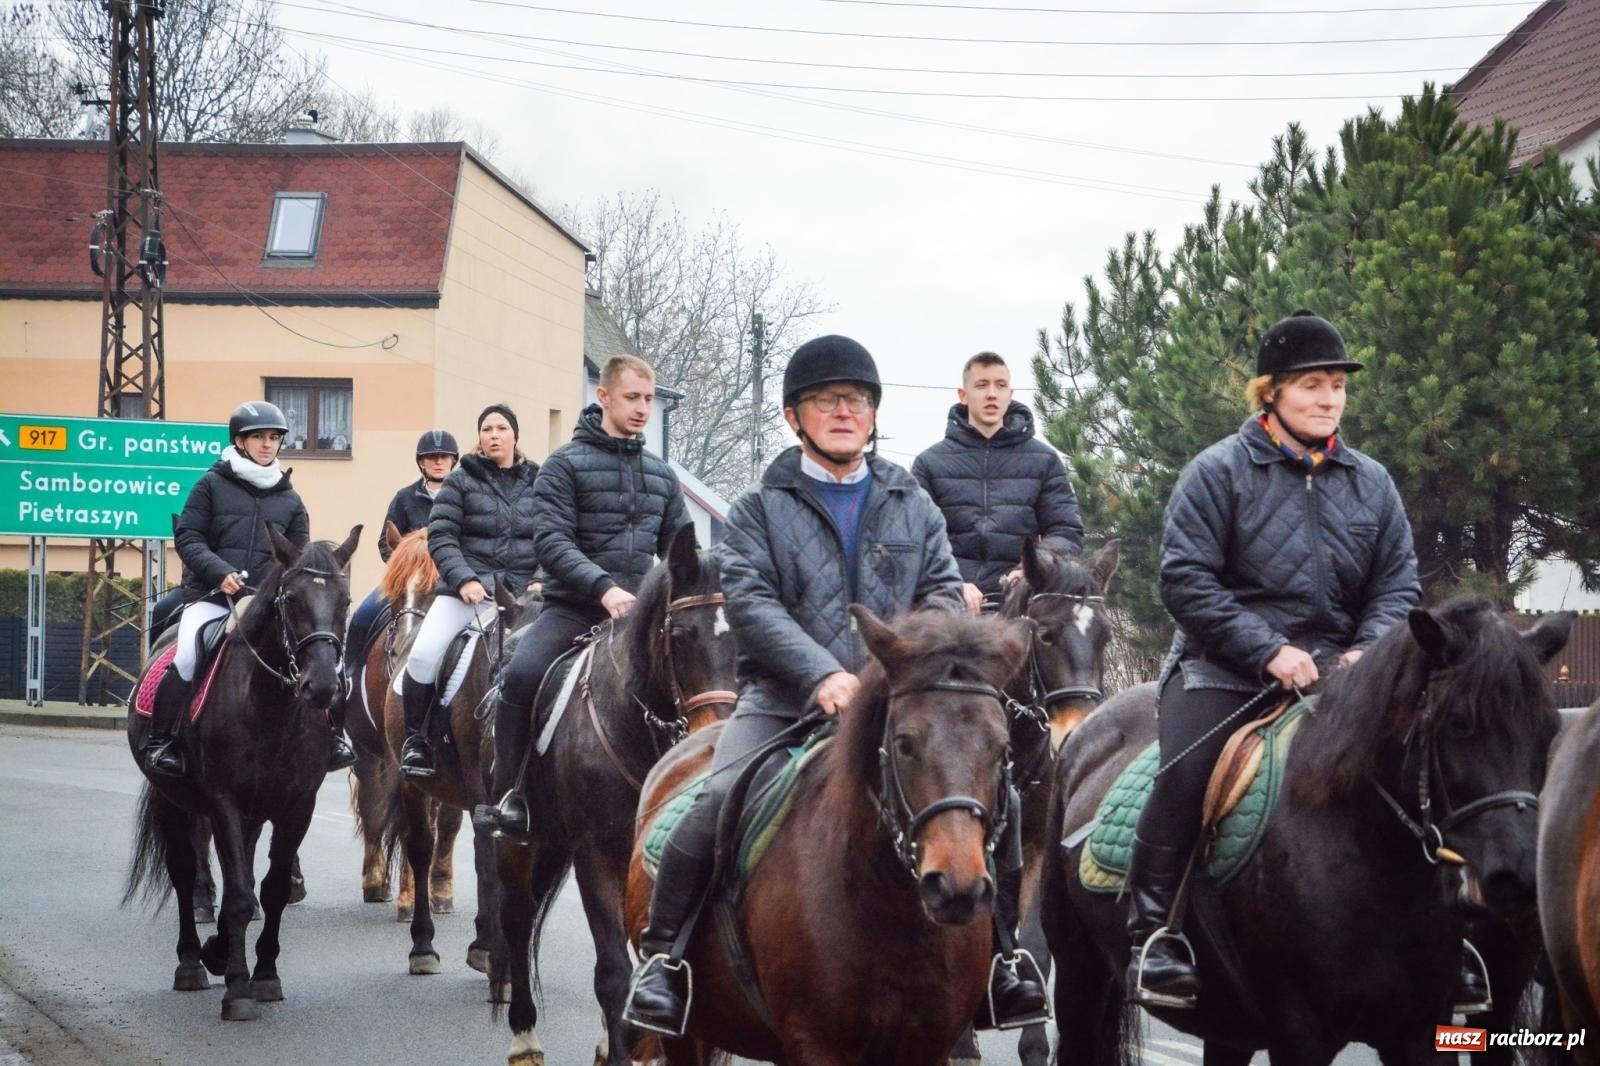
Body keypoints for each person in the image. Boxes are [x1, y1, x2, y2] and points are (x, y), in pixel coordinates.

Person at [621, 335, 1048, 1038]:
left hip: (901, 703)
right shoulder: (760, 507)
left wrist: (905, 672)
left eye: (857, 401)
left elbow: (943, 595)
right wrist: (820, 673)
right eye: (826, 401)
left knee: (997, 800)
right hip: (783, 701)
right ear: (794, 417)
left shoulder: (913, 502)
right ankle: (665, 964)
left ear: (873, 415)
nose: (844, 412)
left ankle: (1004, 962)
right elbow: (751, 603)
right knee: (714, 804)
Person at [1126, 310, 1491, 1010]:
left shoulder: (1372, 482)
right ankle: (1153, 933)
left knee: (1436, 760)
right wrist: (1268, 651)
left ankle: (1456, 934)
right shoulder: (1216, 472)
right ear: (1271, 392)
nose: (1329, 399)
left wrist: (1367, 652)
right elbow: (1185, 581)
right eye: (1311, 385)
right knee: (1186, 771)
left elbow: (1397, 586)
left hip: (1346, 673)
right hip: (1222, 669)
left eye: (1337, 387)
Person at [480, 355, 689, 835]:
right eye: (632, 398)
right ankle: (510, 795)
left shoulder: (662, 475)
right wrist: (604, 588)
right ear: (604, 397)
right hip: (572, 610)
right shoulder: (563, 465)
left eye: (648, 399)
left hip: (640, 617)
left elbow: (680, 553)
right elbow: (552, 543)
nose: (642, 408)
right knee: (520, 675)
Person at [142, 401, 317, 777]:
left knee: (315, 649)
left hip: (265, 602)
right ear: (239, 441)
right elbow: (188, 538)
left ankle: (330, 738)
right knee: (188, 654)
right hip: (212, 596)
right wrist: (220, 574)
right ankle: (161, 741)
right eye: (258, 437)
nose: (267, 444)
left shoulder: (291, 500)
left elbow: (296, 558)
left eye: (274, 438)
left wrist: (270, 588)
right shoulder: (210, 485)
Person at [398, 407, 538, 778]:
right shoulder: (460, 482)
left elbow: (555, 535)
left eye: (502, 428)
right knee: (423, 654)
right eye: (487, 429)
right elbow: (442, 536)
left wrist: (541, 579)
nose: (494, 435)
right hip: (467, 593)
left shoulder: (540, 482)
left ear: (515, 435)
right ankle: (416, 740)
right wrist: (464, 579)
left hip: (526, 596)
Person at [912, 351, 1084, 611]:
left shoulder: (1044, 460)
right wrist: (950, 582)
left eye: (1000, 385)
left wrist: (1032, 568)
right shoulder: (929, 464)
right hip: (948, 609)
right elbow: (915, 539)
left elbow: (1066, 532)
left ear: (1010, 394)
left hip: (1025, 607)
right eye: (981, 385)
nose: (992, 394)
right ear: (963, 395)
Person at [342, 429, 460, 707]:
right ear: (421, 462)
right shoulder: (404, 498)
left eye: (444, 457)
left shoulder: (462, 497)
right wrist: (405, 567)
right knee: (362, 615)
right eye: (431, 457)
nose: (438, 462)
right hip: (408, 582)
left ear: (453, 461)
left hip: (449, 580)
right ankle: (348, 675)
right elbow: (385, 543)